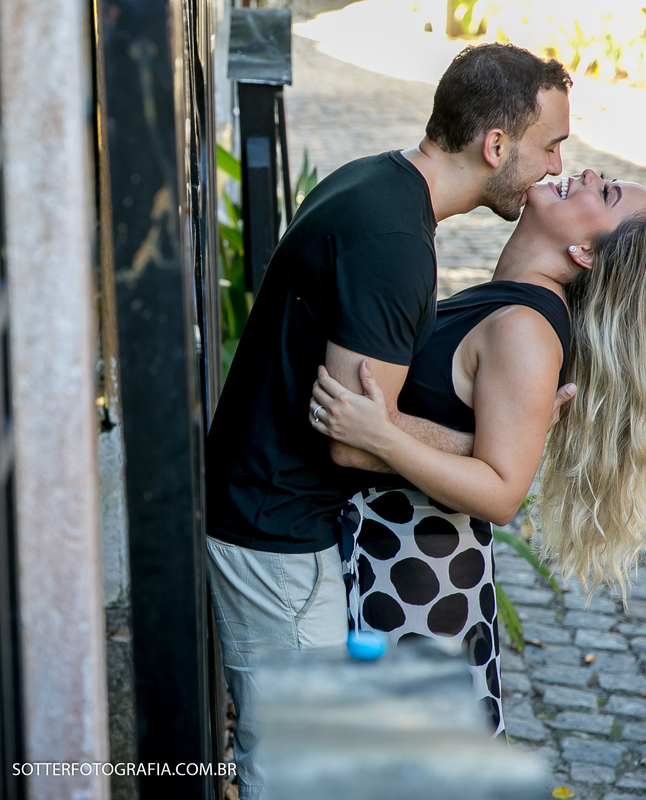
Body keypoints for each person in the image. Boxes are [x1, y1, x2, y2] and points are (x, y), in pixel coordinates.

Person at [206, 42, 572, 798]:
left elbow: (371, 417)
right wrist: (490, 450)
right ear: (495, 144)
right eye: (550, 146)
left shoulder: (378, 182)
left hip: (270, 520)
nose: (556, 167)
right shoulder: (397, 245)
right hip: (277, 537)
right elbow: (352, 436)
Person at [308, 169, 646, 735]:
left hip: (418, 583)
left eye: (606, 192)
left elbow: (501, 492)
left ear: (585, 252)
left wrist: (382, 434)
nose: (587, 173)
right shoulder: (513, 308)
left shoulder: (525, 328)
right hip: (404, 568)